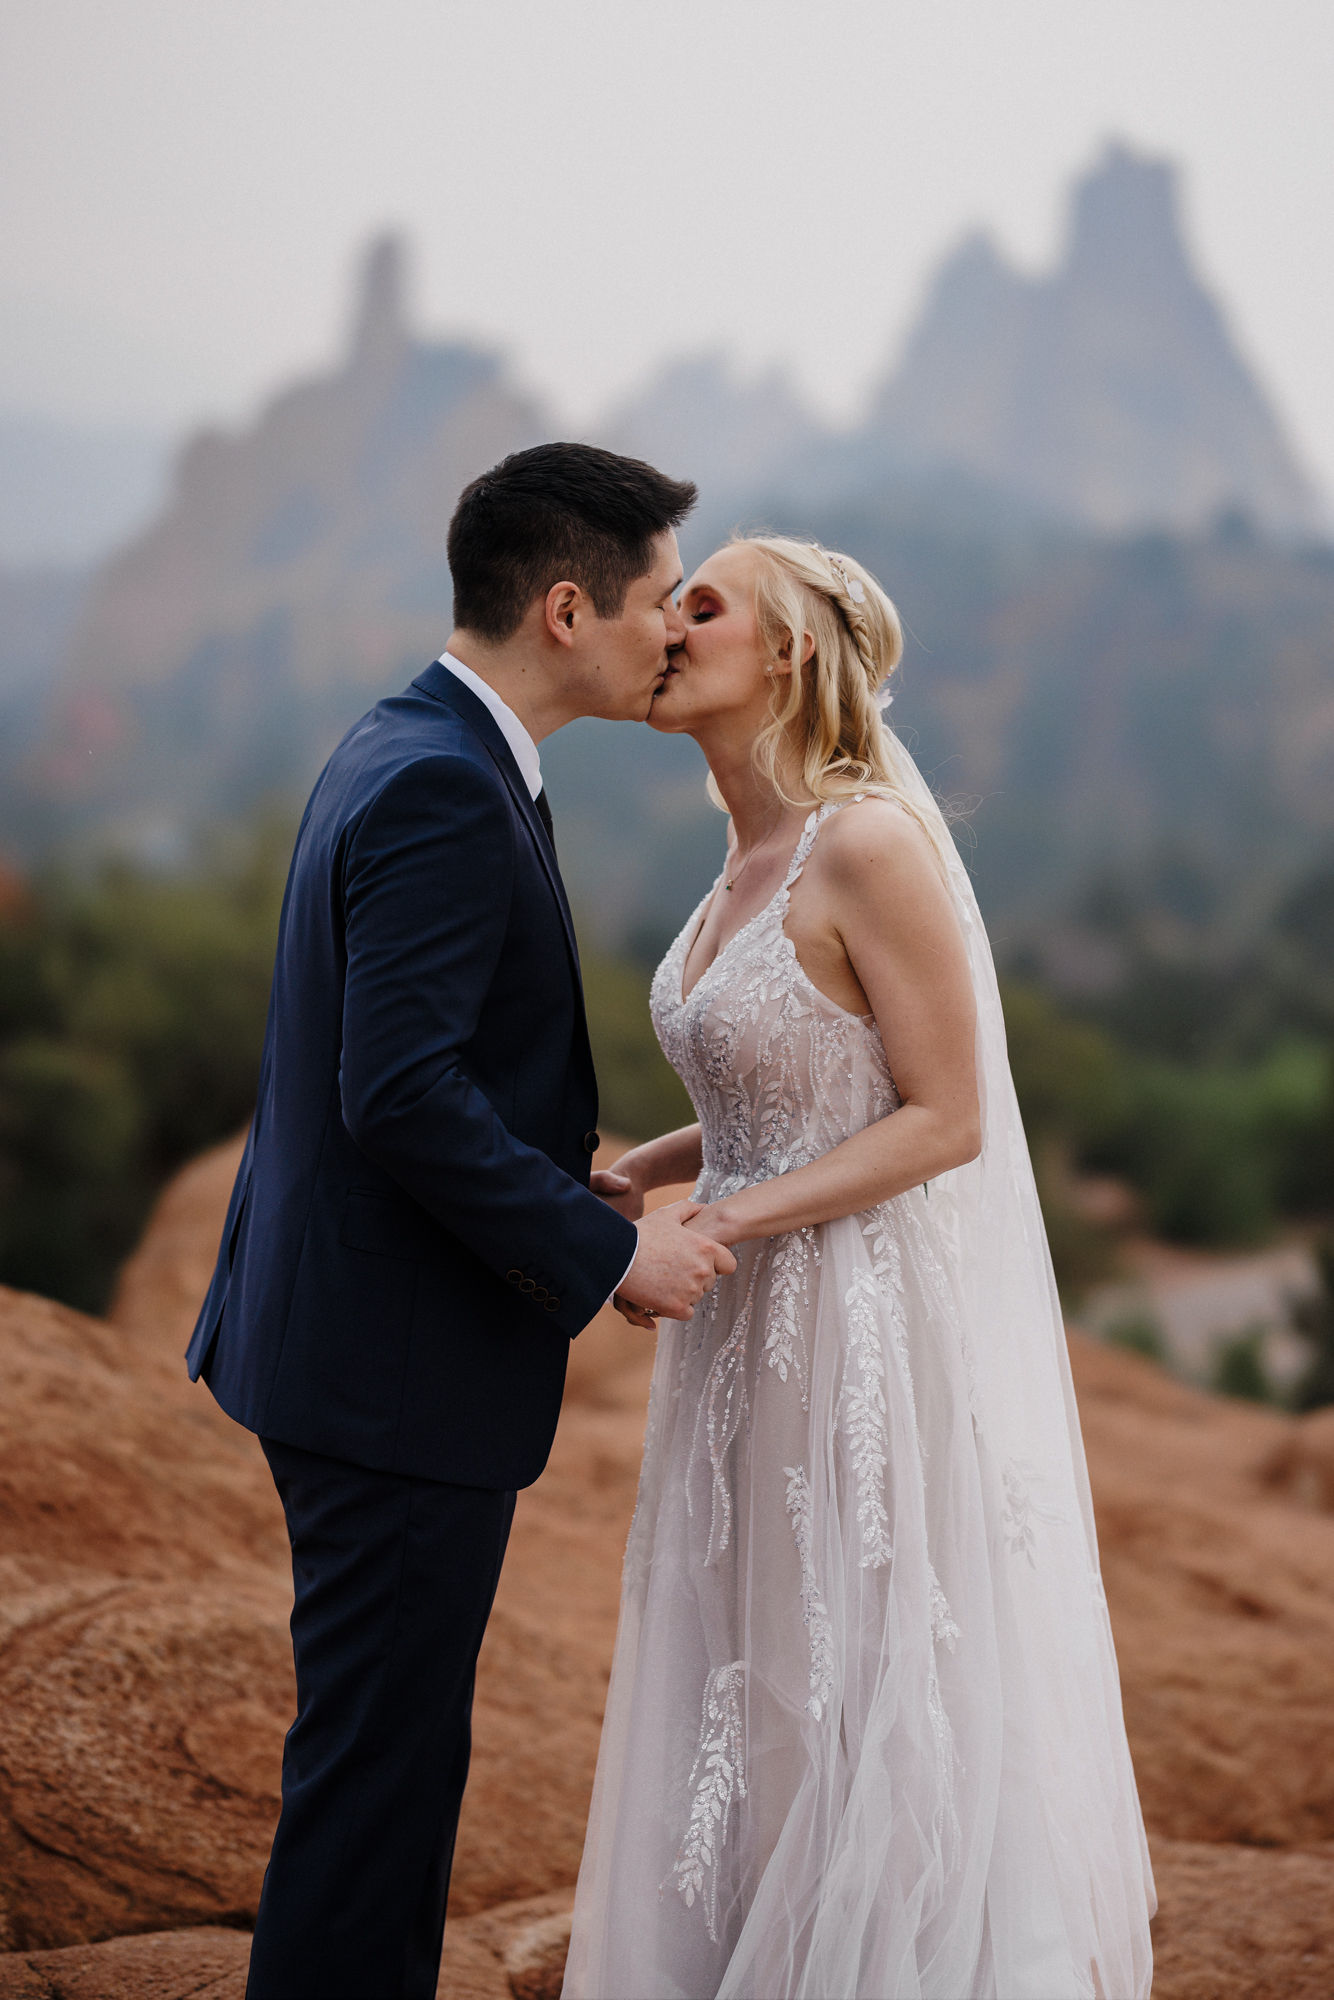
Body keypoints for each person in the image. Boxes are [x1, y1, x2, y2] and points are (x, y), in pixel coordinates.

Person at [564, 535, 1155, 1999]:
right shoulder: (735, 867)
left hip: (856, 1319)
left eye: (706, 604)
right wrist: (646, 1172)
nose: (670, 621)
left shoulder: (864, 843)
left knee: (861, 1653)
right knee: (754, 1660)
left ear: (787, 656)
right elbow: (783, 1092)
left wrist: (718, 1226)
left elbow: (942, 1118)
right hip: (739, 1323)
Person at [185, 442, 736, 2000]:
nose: (671, 637)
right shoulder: (442, 781)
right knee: (375, 1792)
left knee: (379, 1769)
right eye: (651, 606)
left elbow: (422, 1072)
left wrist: (571, 1185)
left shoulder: (415, 739)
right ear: (566, 608)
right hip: (390, 1377)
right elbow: (400, 1094)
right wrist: (608, 1249)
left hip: (353, 1350)